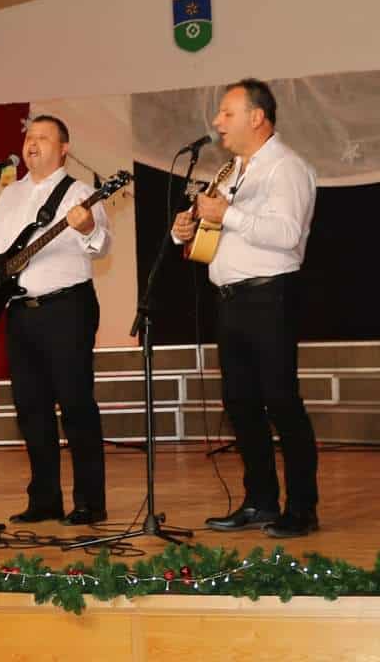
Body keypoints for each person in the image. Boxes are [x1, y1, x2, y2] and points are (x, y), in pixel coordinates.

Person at [172, 78, 319, 538]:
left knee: (281, 402)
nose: (217, 122)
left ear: (257, 118)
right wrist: (185, 230)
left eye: (227, 113)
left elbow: (286, 234)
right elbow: (216, 232)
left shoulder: (285, 168)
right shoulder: (230, 170)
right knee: (241, 405)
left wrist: (226, 215)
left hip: (270, 297)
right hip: (231, 300)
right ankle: (260, 501)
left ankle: (302, 508)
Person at [0, 115, 111, 526]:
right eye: (29, 137)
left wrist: (88, 227)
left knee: (76, 405)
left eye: (43, 138)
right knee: (30, 408)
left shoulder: (79, 193)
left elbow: (102, 245)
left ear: (63, 148)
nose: (32, 144)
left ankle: (89, 503)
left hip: (67, 309)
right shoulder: (10, 193)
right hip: (20, 312)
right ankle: (44, 499)